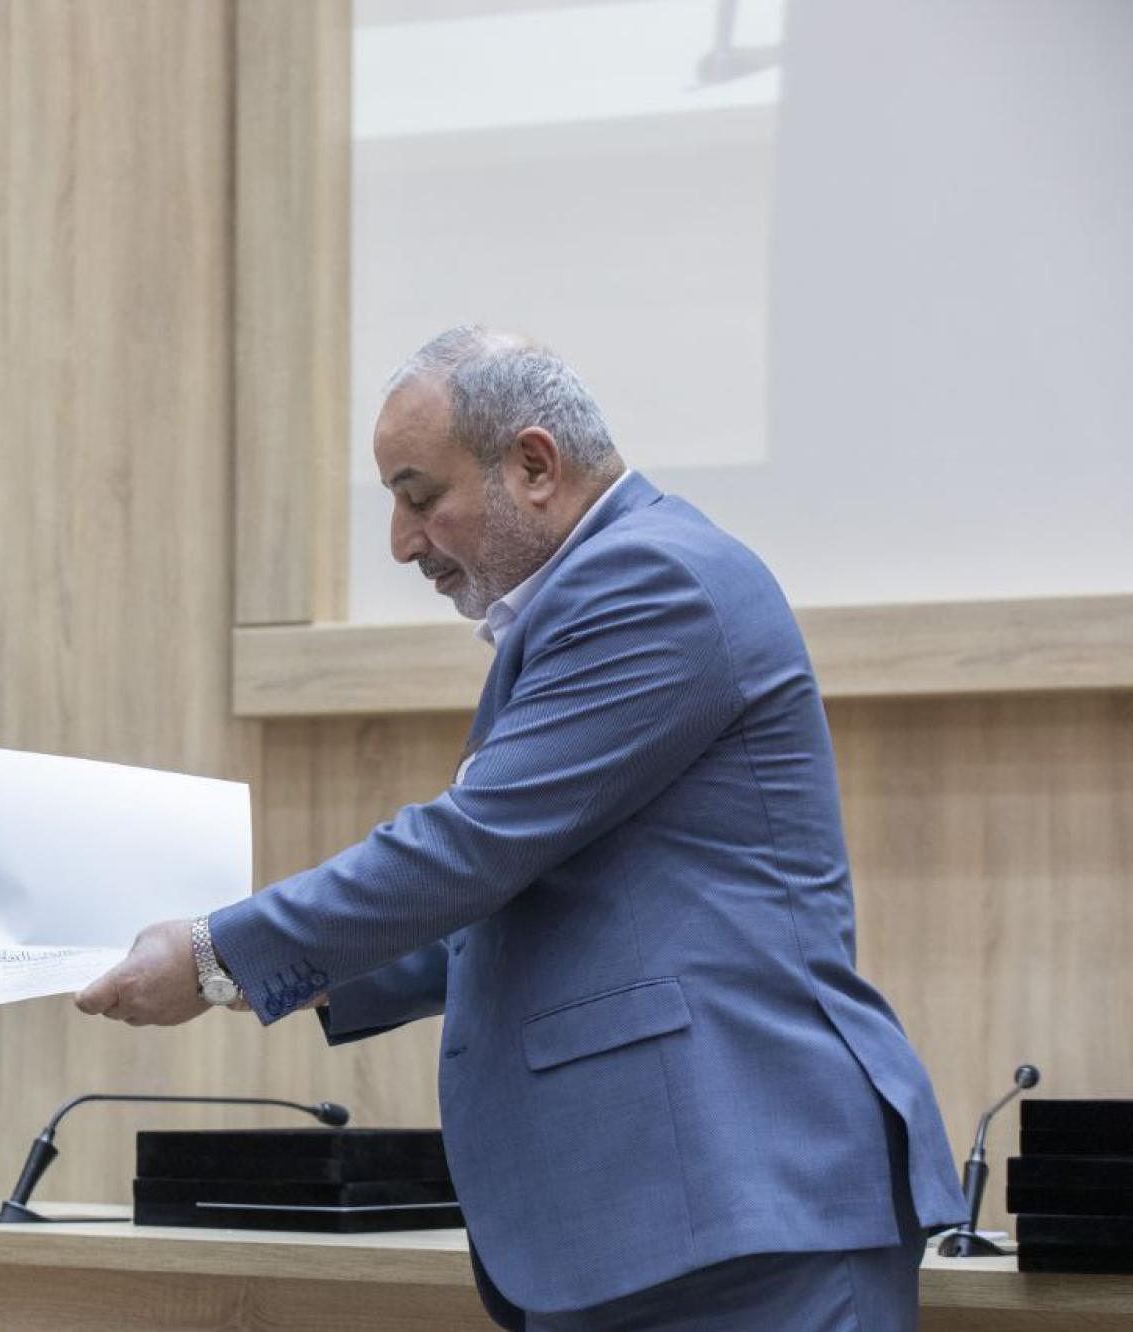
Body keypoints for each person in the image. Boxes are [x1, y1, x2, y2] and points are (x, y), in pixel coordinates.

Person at [77, 329, 966, 1330]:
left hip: (741, 1206)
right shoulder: (603, 590)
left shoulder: (652, 581)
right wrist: (280, 969)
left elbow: (471, 849)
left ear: (533, 466)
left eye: (419, 497)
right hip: (659, 1222)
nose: (401, 542)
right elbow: (529, 900)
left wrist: (213, 954)